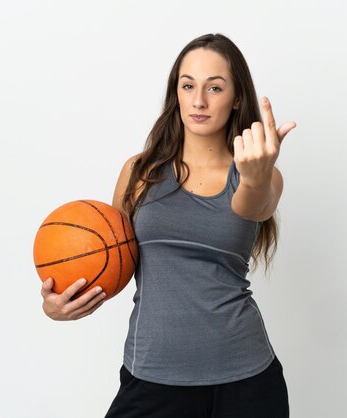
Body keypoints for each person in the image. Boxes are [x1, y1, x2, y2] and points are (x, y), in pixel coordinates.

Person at [40, 33, 296, 417]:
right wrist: (58, 304)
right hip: (152, 376)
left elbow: (254, 207)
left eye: (215, 87)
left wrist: (256, 176)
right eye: (188, 85)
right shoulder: (139, 172)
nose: (199, 100)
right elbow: (112, 262)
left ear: (237, 97)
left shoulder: (257, 175)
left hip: (246, 381)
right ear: (175, 91)